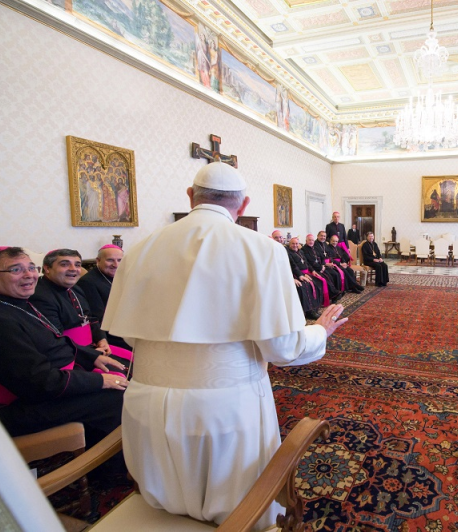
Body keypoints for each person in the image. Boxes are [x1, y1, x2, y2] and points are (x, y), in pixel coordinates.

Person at [102, 162, 348, 527]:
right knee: (237, 503)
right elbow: (282, 349)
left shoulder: (140, 250)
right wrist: (319, 332)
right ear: (244, 204)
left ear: (190, 196)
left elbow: (125, 334)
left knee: (165, 495)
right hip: (226, 409)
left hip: (146, 405)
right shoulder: (262, 250)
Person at [0, 247, 126, 442]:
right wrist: (100, 381)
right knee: (115, 397)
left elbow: (53, 341)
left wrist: (92, 357)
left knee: (115, 372)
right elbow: (38, 382)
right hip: (9, 408)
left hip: (41, 386)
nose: (29, 275)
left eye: (31, 268)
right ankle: (106, 471)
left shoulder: (14, 302)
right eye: (16, 270)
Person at [75, 244, 130, 350]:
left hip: (124, 328)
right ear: (98, 260)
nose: (116, 264)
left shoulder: (122, 276)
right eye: (110, 260)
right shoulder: (88, 282)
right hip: (111, 336)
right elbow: (98, 317)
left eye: (120, 260)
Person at [287, 236, 325, 319]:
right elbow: (294, 266)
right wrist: (301, 275)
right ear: (289, 244)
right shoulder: (289, 253)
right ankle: (308, 311)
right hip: (296, 274)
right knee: (305, 286)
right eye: (293, 243)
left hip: (304, 273)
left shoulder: (300, 252)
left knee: (317, 283)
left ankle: (315, 308)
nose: (295, 245)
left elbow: (307, 264)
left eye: (296, 243)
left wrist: (312, 271)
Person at [303, 233, 343, 302]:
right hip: (314, 269)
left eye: (312, 240)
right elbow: (309, 262)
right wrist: (320, 268)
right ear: (306, 241)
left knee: (329, 276)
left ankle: (334, 294)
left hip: (320, 267)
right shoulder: (304, 249)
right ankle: (334, 294)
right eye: (309, 240)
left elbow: (321, 257)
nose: (311, 241)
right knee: (325, 279)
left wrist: (323, 265)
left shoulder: (314, 248)